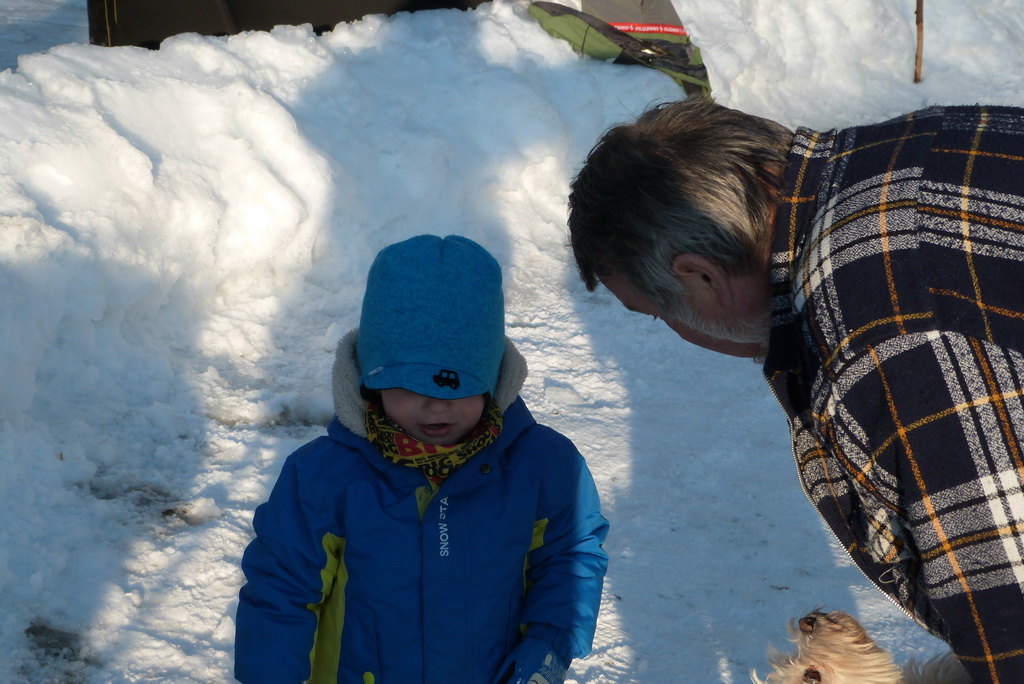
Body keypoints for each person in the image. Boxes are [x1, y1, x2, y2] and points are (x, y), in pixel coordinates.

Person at [566, 96, 1024, 683]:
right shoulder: (927, 141)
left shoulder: (884, 341)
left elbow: (1010, 613)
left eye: (659, 314)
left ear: (700, 275)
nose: (675, 331)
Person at [234, 234, 609, 683]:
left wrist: (548, 643)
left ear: (492, 380)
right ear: (371, 382)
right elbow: (280, 592)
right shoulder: (322, 476)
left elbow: (571, 555)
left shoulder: (543, 466)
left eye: (458, 386)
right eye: (410, 386)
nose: (435, 406)